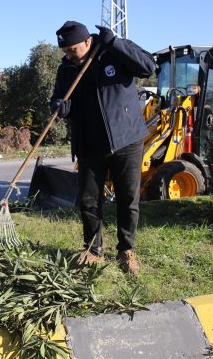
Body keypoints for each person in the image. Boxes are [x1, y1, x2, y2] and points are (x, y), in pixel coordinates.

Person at [50, 21, 155, 274]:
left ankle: (126, 250)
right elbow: (59, 97)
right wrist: (59, 106)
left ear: (88, 42)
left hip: (126, 140)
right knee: (88, 201)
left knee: (128, 199)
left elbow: (148, 67)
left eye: (72, 49)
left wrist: (116, 43)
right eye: (65, 51)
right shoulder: (66, 69)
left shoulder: (113, 53)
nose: (69, 55)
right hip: (88, 143)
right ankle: (92, 250)